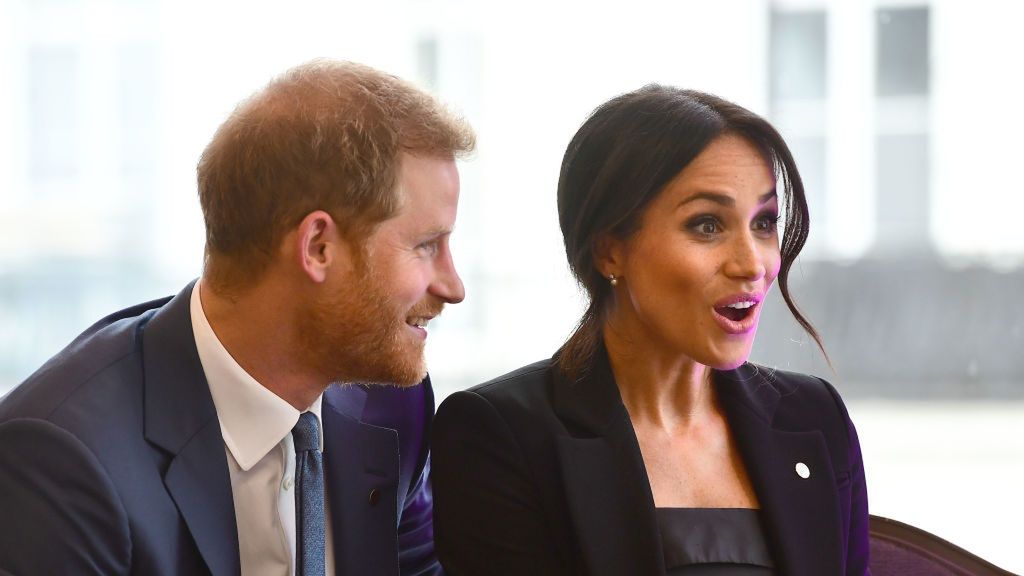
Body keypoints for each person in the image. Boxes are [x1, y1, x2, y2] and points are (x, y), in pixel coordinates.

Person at [0, 59, 474, 575]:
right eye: (427, 245)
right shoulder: (63, 461)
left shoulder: (390, 403)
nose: (454, 287)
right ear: (318, 247)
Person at [431, 85, 869, 575]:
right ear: (609, 251)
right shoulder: (498, 434)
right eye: (707, 225)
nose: (753, 264)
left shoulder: (814, 417)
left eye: (764, 223)